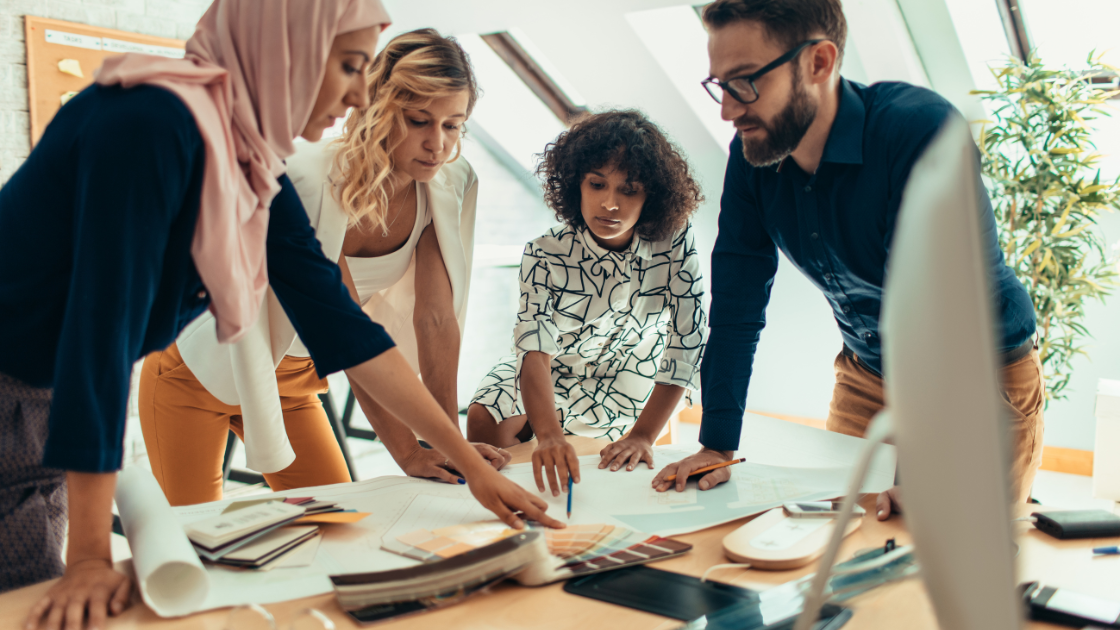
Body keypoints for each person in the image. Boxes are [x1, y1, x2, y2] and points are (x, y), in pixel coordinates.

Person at [0, 2, 560, 628]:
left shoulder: (251, 163)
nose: (357, 95)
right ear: (282, 49)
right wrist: (89, 557)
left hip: (45, 401)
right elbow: (97, 333)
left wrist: (459, 454)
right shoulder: (148, 124)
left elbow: (341, 325)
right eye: (350, 66)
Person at [651, 0, 1043, 516]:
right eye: (720, 84)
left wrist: (911, 474)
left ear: (819, 62)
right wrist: (717, 445)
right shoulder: (752, 158)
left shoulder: (919, 132)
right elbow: (735, 306)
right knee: (833, 538)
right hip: (866, 371)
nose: (727, 109)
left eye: (745, 81)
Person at [137, 28, 509, 506]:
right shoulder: (310, 177)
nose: (437, 143)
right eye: (419, 120)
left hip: (293, 381)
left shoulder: (450, 181)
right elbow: (347, 332)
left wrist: (446, 444)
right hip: (194, 372)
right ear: (378, 108)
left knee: (338, 524)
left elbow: (436, 319)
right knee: (194, 543)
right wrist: (409, 451)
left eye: (453, 125)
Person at [467, 110, 708, 497]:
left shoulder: (675, 240)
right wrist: (547, 435)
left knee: (618, 463)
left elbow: (688, 338)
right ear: (576, 183)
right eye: (597, 185)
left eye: (628, 190)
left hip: (634, 370)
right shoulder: (544, 254)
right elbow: (535, 350)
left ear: (652, 195)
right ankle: (520, 506)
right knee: (483, 419)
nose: (609, 203)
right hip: (556, 367)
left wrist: (645, 435)